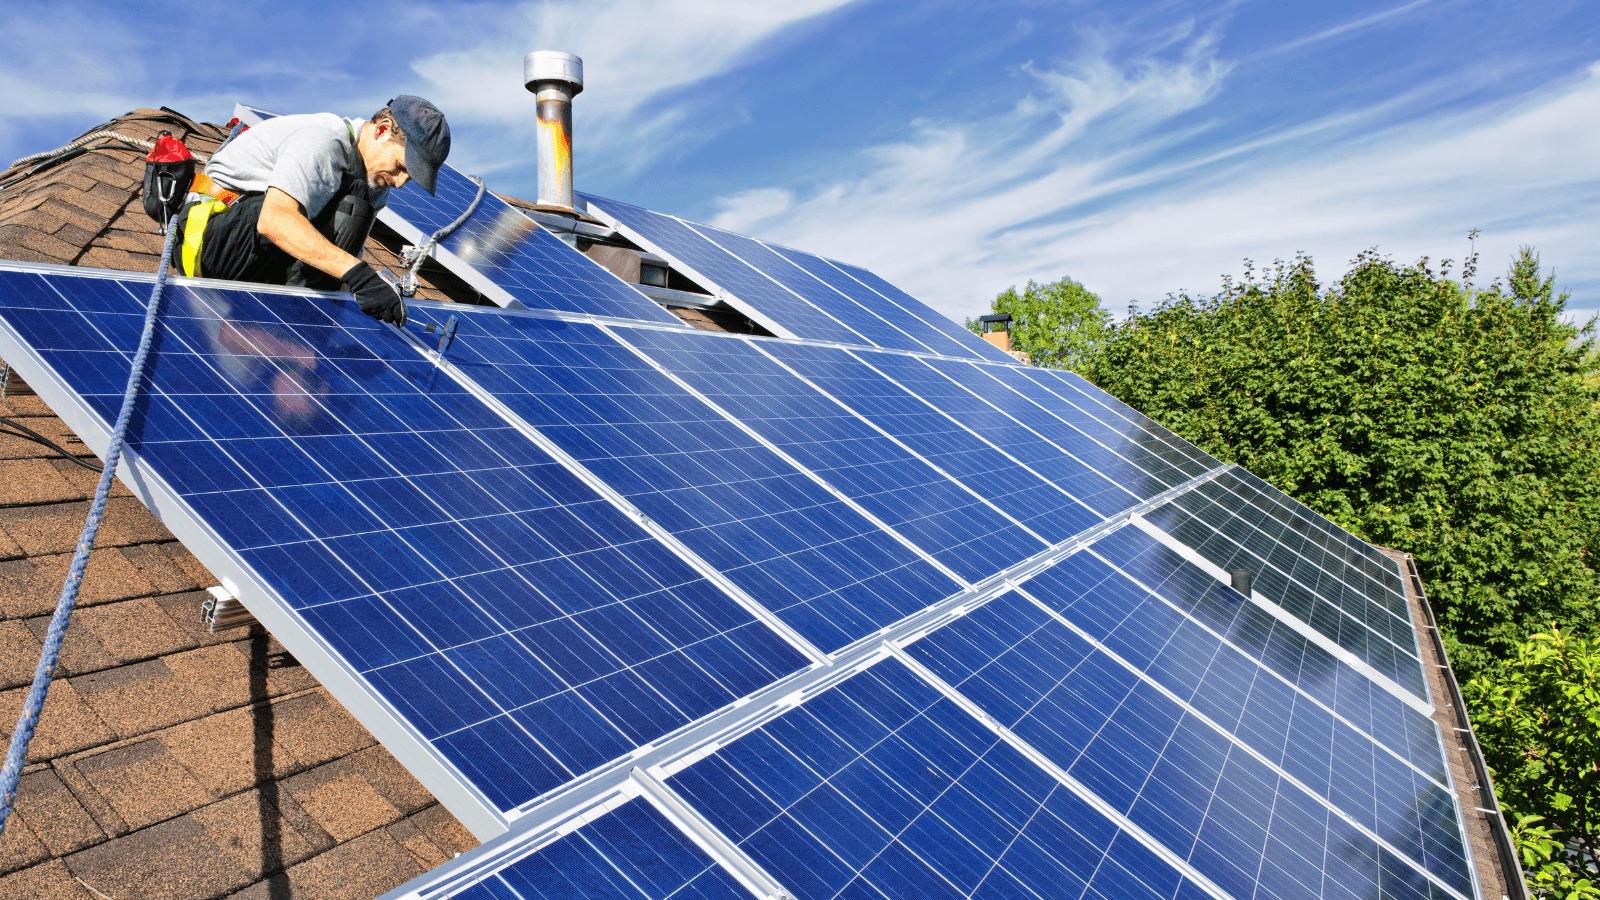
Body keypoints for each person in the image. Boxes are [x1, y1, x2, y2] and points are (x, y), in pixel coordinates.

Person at [171, 96, 451, 325]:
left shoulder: (373, 185)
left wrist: (356, 322)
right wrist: (360, 276)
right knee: (347, 207)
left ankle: (301, 330)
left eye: (409, 177)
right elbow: (275, 220)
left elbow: (346, 257)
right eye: (401, 167)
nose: (401, 182)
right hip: (211, 238)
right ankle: (292, 327)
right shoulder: (324, 140)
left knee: (356, 207)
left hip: (257, 256)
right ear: (381, 130)